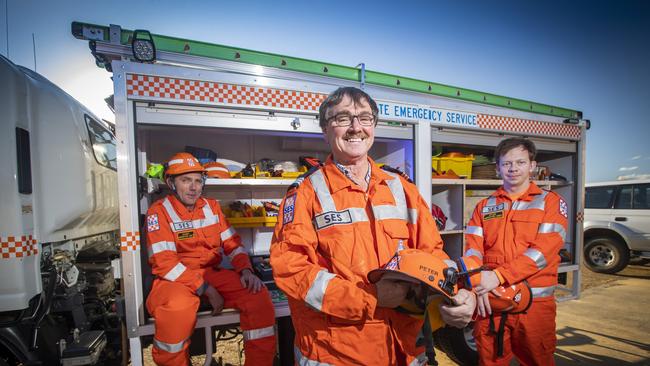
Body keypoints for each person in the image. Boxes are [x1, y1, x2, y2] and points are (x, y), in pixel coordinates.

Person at [269, 87, 476, 365]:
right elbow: (292, 270)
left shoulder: (401, 187)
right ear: (324, 128)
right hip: (338, 353)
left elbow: (432, 253)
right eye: (343, 118)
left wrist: (457, 295)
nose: (356, 127)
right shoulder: (305, 193)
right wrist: (371, 297)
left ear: (374, 126)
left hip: (405, 348)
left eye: (364, 118)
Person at [145, 152, 276, 366]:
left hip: (211, 274)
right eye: (185, 180)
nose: (193, 187)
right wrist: (204, 287)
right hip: (175, 279)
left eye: (198, 180)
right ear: (171, 183)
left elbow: (233, 245)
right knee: (177, 310)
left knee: (258, 296)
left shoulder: (211, 207)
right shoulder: (158, 212)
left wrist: (246, 270)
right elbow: (164, 262)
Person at [464, 137, 568, 365]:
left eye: (520, 162)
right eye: (506, 163)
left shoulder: (550, 202)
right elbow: (473, 250)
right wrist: (478, 284)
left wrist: (498, 276)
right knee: (490, 360)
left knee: (537, 360)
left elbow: (543, 253)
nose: (513, 169)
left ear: (532, 166)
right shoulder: (484, 206)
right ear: (498, 167)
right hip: (490, 301)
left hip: (533, 307)